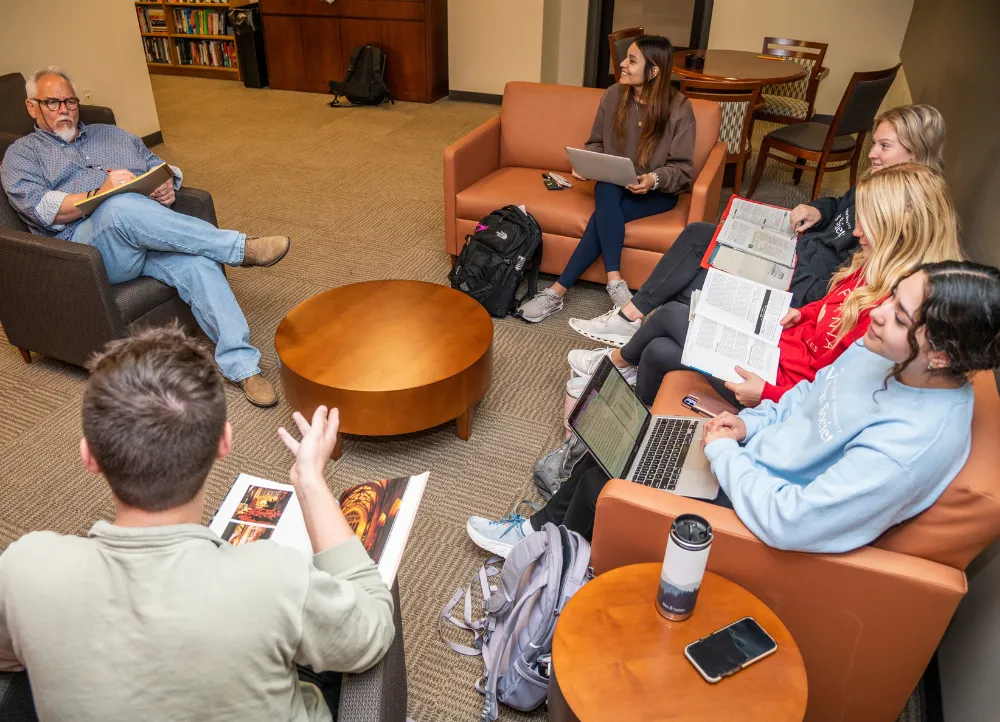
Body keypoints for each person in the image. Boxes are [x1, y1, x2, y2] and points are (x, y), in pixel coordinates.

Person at [468, 259, 1000, 555]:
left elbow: (793, 522)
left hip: (757, 518)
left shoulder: (912, 444)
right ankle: (543, 530)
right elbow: (800, 400)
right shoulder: (881, 352)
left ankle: (545, 550)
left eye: (901, 316)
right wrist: (746, 423)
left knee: (608, 477)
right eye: (891, 299)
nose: (877, 314)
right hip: (745, 460)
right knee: (627, 441)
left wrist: (725, 455)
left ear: (940, 355)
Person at [0, 326, 395, 721]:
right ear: (224, 442)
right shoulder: (274, 581)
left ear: (89, 456)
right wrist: (310, 480)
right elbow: (371, 635)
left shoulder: (23, 569)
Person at [0, 66, 289, 407]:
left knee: (198, 262)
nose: (63, 109)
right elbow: (42, 210)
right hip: (86, 253)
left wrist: (167, 185)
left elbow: (158, 166)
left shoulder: (113, 135)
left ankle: (243, 368)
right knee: (119, 205)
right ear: (32, 107)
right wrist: (103, 192)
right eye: (52, 102)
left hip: (141, 235)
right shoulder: (22, 155)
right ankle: (239, 248)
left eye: (70, 101)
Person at [566, 162, 964, 408]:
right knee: (657, 350)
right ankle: (636, 418)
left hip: (772, 383)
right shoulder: (871, 266)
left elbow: (832, 396)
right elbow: (826, 310)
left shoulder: (893, 314)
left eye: (869, 223)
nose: (856, 230)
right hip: (775, 352)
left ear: (902, 228)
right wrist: (800, 314)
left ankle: (614, 364)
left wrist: (769, 394)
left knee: (672, 314)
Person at [569, 104, 948, 347]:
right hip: (797, 250)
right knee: (703, 233)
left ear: (914, 153)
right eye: (875, 144)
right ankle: (634, 317)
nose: (871, 153)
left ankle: (634, 321)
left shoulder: (900, 215)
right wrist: (818, 209)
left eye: (884, 146)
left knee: (705, 266)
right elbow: (838, 207)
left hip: (800, 282)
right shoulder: (876, 183)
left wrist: (783, 263)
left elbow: (840, 286)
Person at [516, 35, 696, 322]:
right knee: (607, 189)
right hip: (614, 186)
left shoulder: (679, 109)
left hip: (657, 193)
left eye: (631, 61)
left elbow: (683, 169)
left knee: (603, 215)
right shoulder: (613, 95)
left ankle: (555, 292)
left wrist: (652, 179)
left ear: (653, 72)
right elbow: (596, 143)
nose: (622, 64)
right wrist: (590, 163)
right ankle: (614, 281)